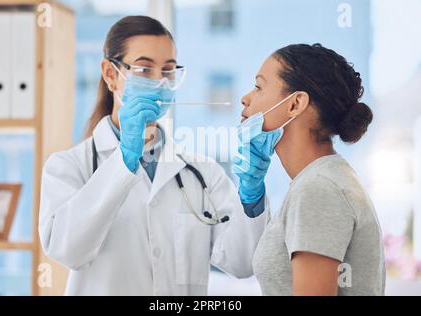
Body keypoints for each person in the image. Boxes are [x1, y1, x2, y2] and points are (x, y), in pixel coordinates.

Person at [38, 15, 269, 296]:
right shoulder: (69, 167)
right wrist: (124, 161)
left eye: (168, 71)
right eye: (145, 69)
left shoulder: (202, 173)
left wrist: (252, 196)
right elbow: (68, 250)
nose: (159, 82)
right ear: (111, 74)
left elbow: (241, 262)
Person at [234, 43, 385, 296]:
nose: (245, 98)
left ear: (295, 104)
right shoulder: (320, 181)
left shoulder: (319, 187)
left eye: (259, 87)